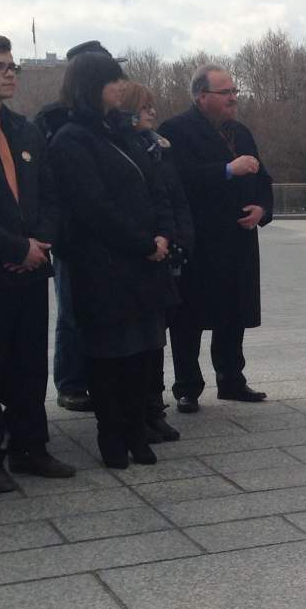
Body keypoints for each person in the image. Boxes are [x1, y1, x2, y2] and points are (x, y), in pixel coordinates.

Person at [47, 52, 178, 468]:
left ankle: (138, 429)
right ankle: (112, 434)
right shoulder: (71, 138)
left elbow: (155, 188)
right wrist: (143, 241)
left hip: (142, 261)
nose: (120, 87)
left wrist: (162, 234)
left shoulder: (122, 132)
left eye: (120, 80)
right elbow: (94, 207)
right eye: (111, 81)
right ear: (90, 87)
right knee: (109, 354)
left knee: (143, 350)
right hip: (103, 264)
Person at [160, 64, 272, 413]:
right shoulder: (175, 129)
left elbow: (263, 177)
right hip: (200, 241)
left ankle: (232, 380)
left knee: (233, 313)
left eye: (235, 91)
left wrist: (262, 210)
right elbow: (177, 180)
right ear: (202, 96)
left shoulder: (240, 131)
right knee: (189, 317)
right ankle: (187, 387)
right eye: (226, 93)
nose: (234, 98)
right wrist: (227, 170)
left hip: (238, 240)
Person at [0, 34, 75, 493]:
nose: (10, 72)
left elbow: (51, 194)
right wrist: (14, 249)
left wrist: (41, 241)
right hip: (4, 263)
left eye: (11, 65)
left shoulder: (25, 130)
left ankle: (30, 447)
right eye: (1, 65)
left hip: (30, 268)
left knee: (28, 363)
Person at [34, 40, 123, 413]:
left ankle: (103, 380)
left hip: (110, 238)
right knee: (71, 313)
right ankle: (71, 383)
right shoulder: (52, 119)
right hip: (72, 234)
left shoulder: (115, 120)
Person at [119, 82, 195, 442]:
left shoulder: (160, 151)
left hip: (168, 251)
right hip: (140, 255)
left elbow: (174, 197)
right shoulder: (125, 150)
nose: (152, 113)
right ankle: (138, 411)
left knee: (157, 337)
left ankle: (154, 407)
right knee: (140, 338)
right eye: (145, 107)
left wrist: (179, 237)